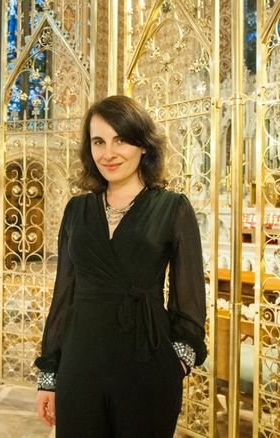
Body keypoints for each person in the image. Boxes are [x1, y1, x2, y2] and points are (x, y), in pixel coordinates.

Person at [35, 95, 207, 438]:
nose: (109, 153)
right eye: (99, 141)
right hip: (80, 365)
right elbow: (63, 296)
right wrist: (49, 375)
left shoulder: (173, 208)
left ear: (143, 145)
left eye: (121, 139)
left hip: (147, 365)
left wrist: (177, 362)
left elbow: (190, 300)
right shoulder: (76, 210)